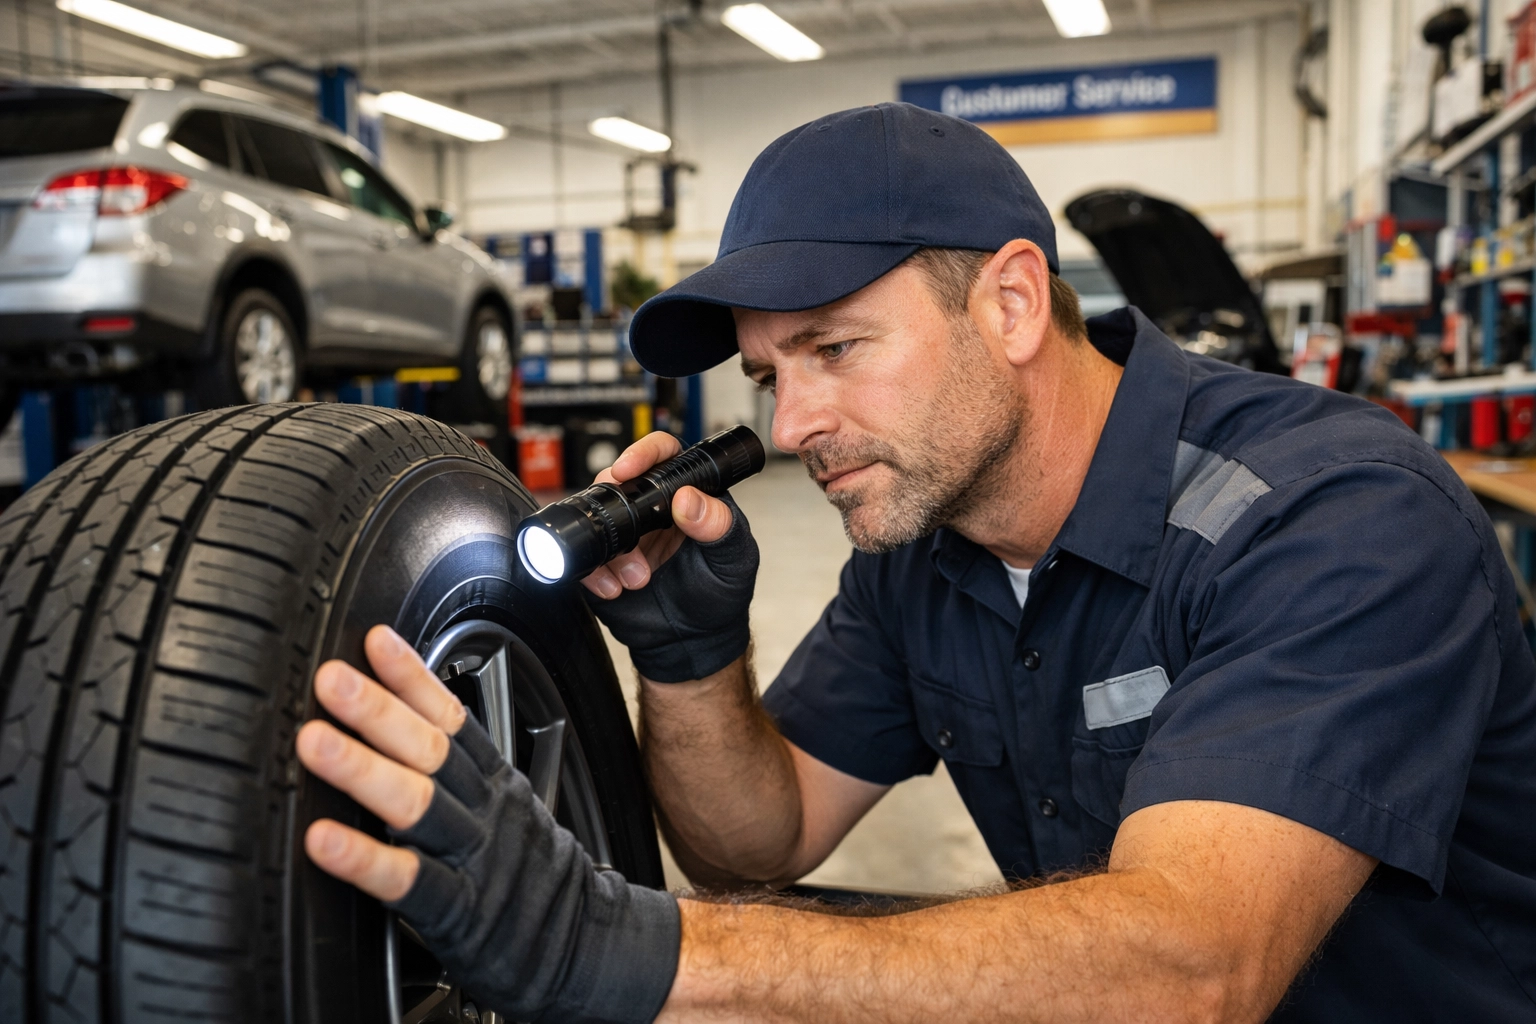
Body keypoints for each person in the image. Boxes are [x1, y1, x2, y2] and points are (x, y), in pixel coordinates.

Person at [294, 103, 1536, 1022]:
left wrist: (626, 948)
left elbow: (1196, 966)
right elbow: (760, 838)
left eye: (835, 348)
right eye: (772, 375)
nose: (791, 429)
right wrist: (691, 659)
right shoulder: (924, 552)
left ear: (1007, 303)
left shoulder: (1333, 519)